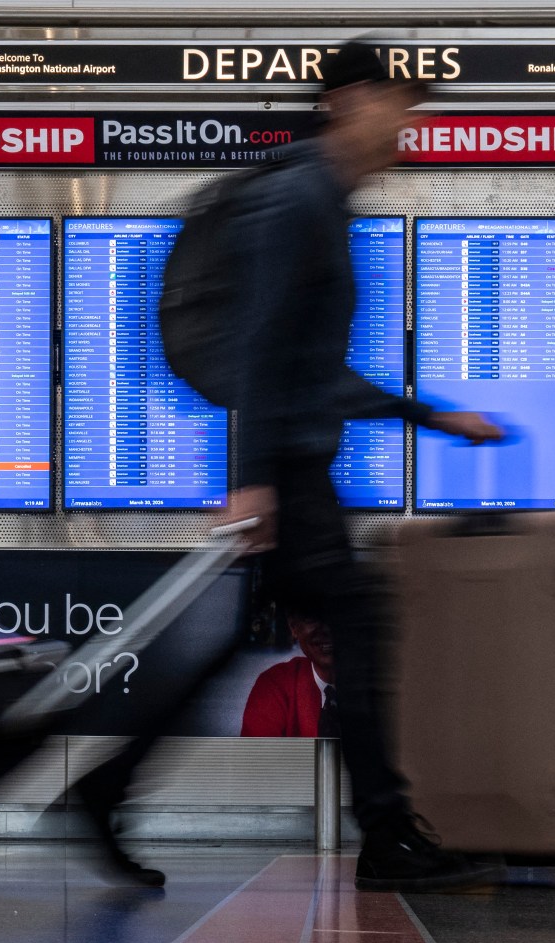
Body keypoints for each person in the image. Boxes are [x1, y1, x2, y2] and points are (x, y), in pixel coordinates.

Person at [78, 37, 502, 893]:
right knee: (359, 623)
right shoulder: (300, 199)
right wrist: (255, 478)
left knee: (235, 642)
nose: (408, 124)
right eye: (397, 103)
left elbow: (315, 371)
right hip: (290, 474)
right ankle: (388, 836)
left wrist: (432, 417)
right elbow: (263, 347)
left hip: (296, 463)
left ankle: (105, 789)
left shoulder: (323, 202)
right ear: (347, 101)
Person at [240, 611, 337, 739]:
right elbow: (255, 755)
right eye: (312, 617)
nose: (326, 628)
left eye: (340, 614)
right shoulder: (274, 685)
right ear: (293, 626)